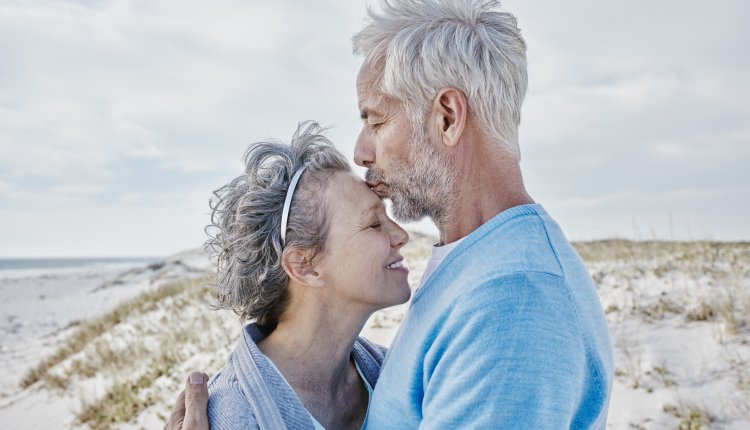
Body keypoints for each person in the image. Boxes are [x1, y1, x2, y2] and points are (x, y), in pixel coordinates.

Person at [166, 0, 614, 428]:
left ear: (447, 117)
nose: (361, 152)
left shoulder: (513, 301)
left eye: (376, 121)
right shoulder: (476, 267)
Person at [198, 121, 410, 429]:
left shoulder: (394, 373)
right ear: (304, 265)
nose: (401, 235)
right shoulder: (233, 416)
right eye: (374, 224)